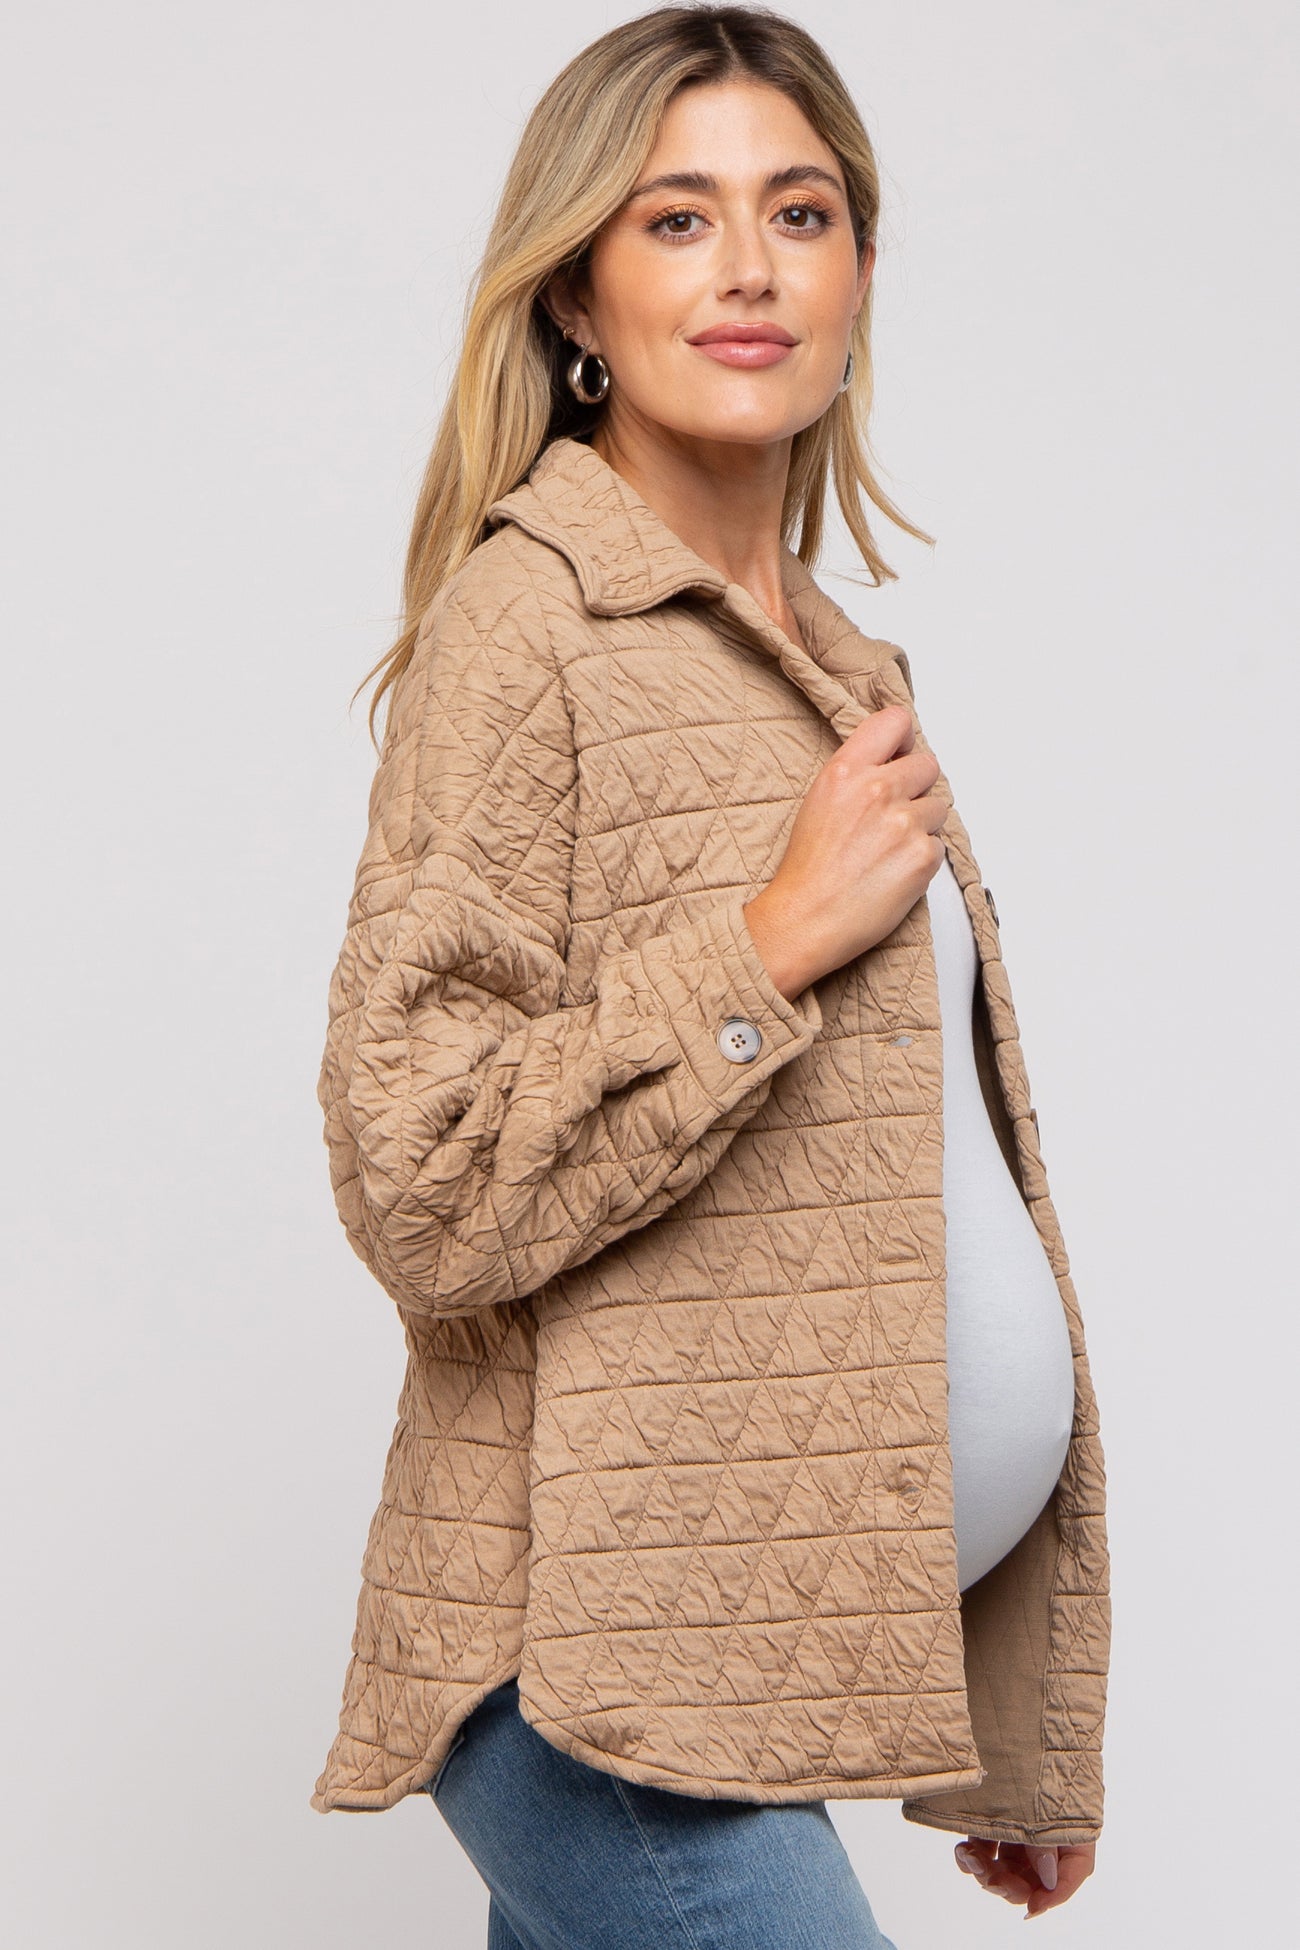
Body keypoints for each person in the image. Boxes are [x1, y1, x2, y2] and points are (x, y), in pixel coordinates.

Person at [310, 7, 1111, 1944]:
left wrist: (1019, 1722)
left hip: (743, 1671)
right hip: (603, 1683)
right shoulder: (531, 625)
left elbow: (917, 1197)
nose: (748, 267)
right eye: (675, 219)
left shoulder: (831, 662)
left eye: (798, 212)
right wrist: (764, 946)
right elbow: (417, 1177)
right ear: (576, 293)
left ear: (858, 273)